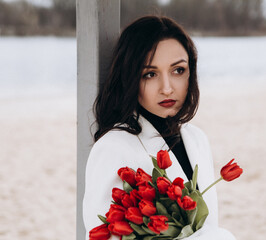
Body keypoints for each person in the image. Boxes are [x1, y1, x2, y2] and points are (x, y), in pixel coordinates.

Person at [83, 16, 236, 240]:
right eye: (150, 74)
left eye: (178, 71)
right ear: (130, 77)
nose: (167, 88)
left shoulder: (196, 139)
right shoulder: (113, 148)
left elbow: (208, 224)